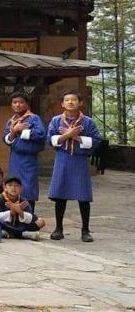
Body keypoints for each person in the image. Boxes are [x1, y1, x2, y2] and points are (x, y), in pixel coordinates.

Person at [46, 90, 102, 242]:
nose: (70, 102)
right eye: (67, 100)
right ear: (62, 104)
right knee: (60, 196)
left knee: (83, 196)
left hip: (80, 160)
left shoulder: (88, 122)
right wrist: (66, 136)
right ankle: (58, 228)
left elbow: (96, 140)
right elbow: (50, 139)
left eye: (74, 100)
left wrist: (76, 137)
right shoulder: (56, 121)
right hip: (62, 159)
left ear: (80, 103)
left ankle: (85, 230)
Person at [2, 92, 46, 209]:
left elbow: (41, 135)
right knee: (13, 186)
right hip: (15, 158)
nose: (18, 105)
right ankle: (15, 216)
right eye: (15, 102)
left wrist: (22, 132)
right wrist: (14, 130)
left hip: (28, 159)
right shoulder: (11, 121)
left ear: (26, 104)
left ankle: (29, 216)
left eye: (21, 102)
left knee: (28, 187)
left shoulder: (34, 118)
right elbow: (6, 139)